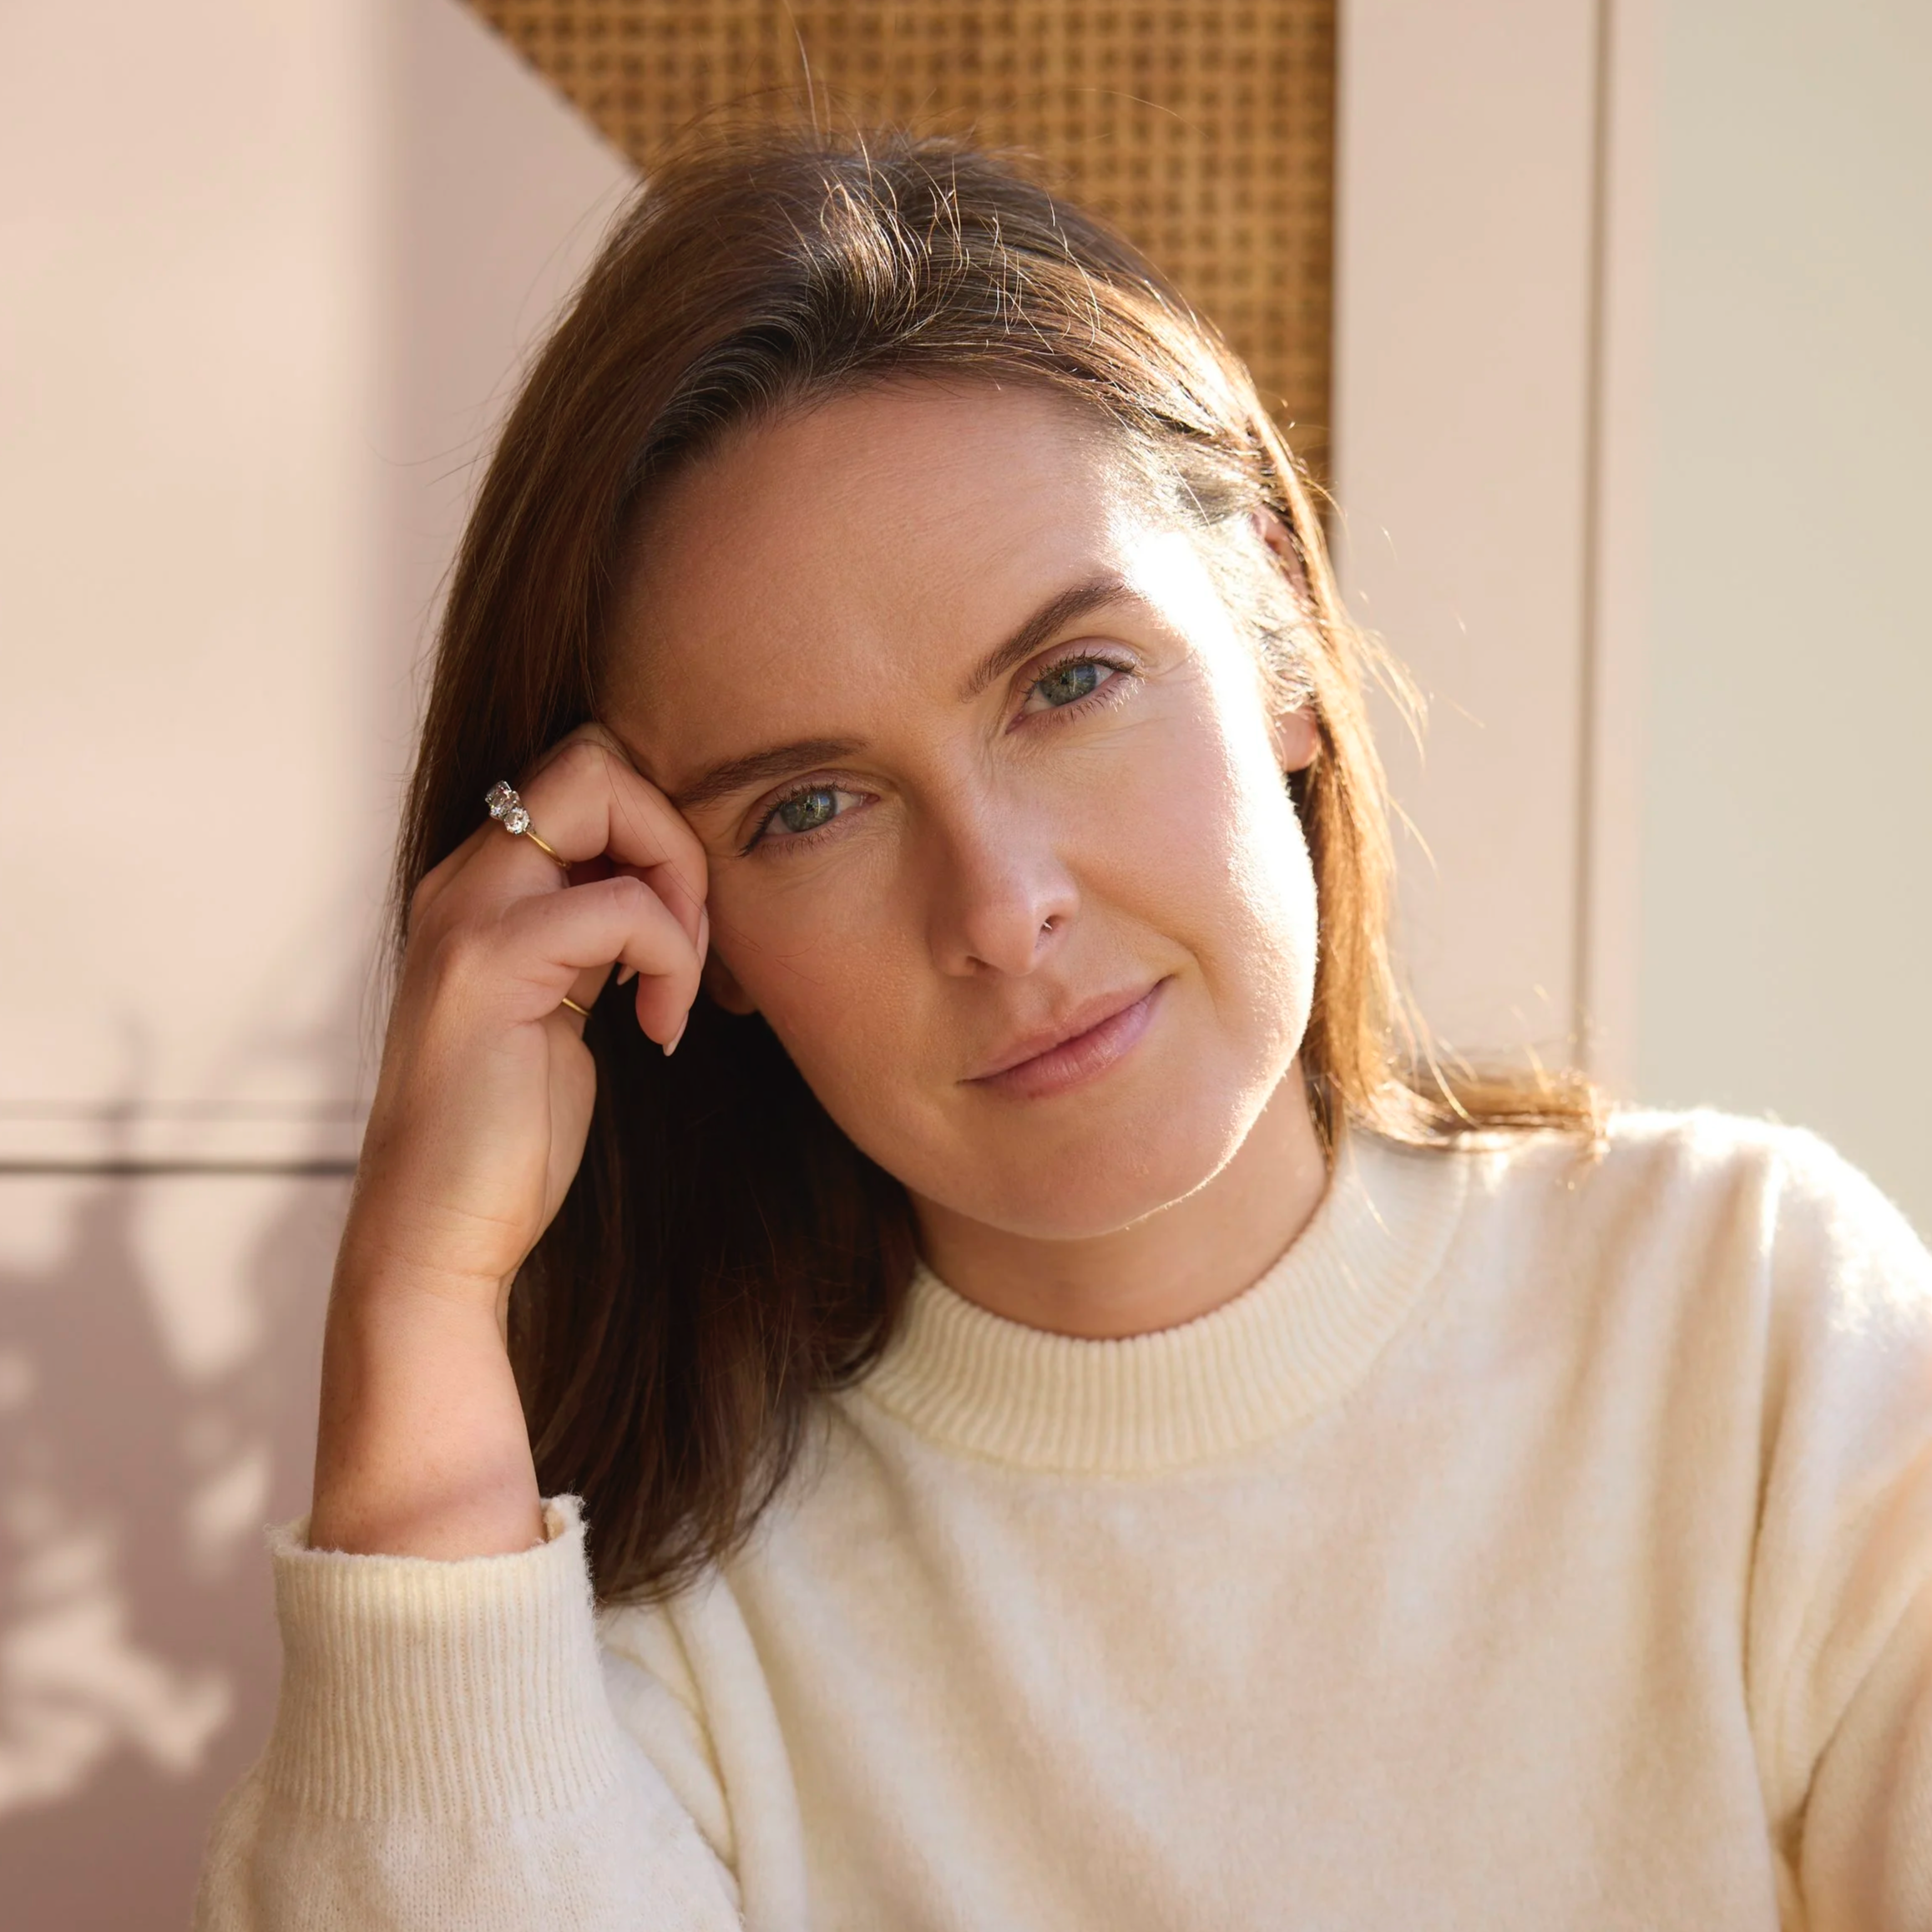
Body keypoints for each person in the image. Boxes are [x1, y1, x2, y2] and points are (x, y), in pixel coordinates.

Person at [192, 124, 1932, 1930]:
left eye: (1068, 681)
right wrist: (413, 1286)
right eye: (808, 805)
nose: (996, 902)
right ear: (687, 941)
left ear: (1273, 640)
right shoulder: (632, 1633)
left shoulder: (1748, 1324)